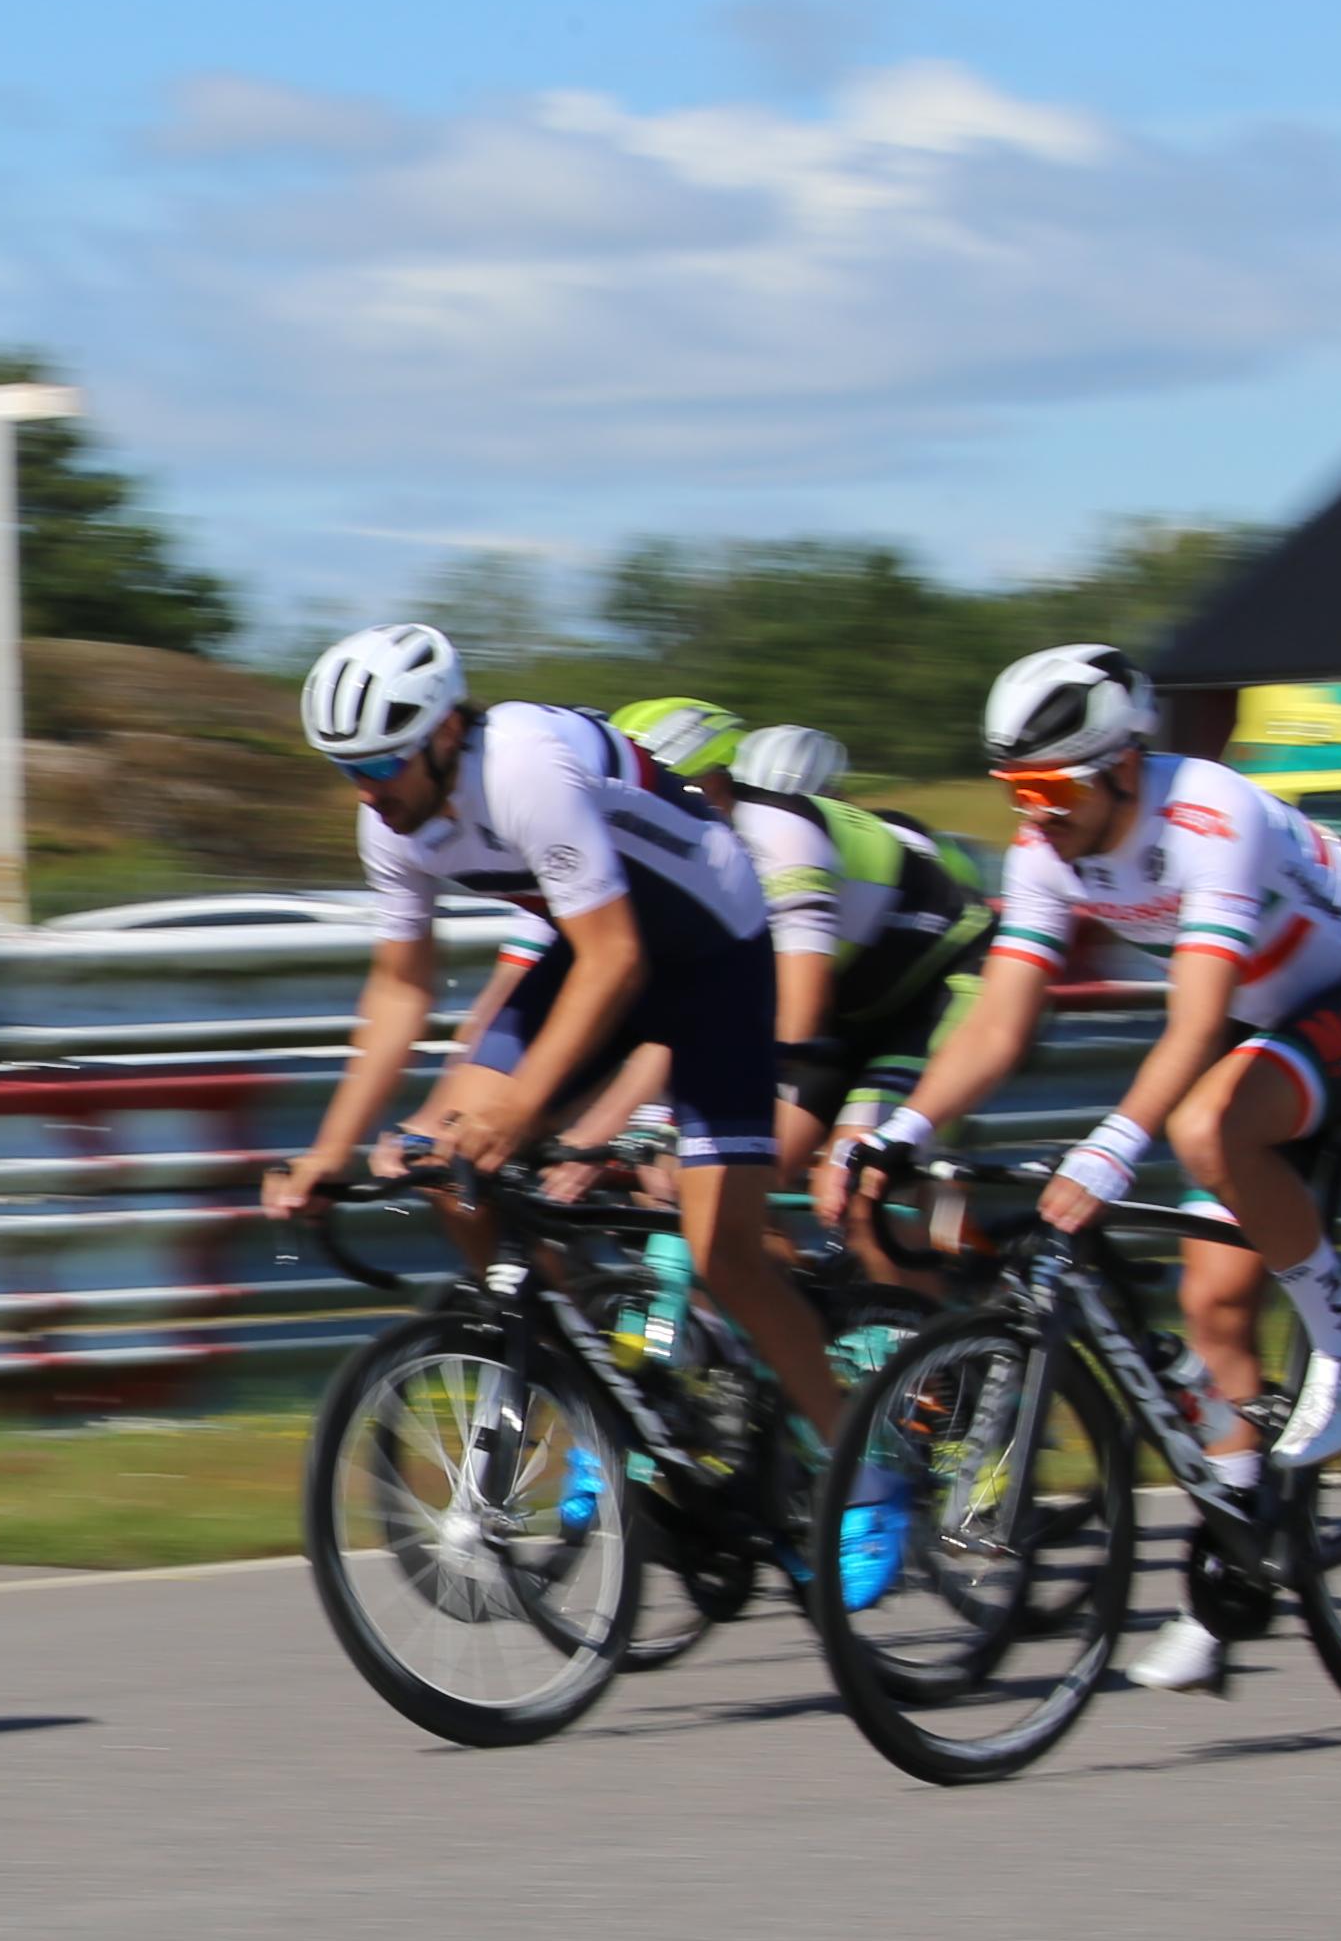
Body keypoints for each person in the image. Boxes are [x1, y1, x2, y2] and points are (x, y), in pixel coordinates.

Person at [257, 627, 893, 1588]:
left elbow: (619, 961)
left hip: (712, 955)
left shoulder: (522, 766)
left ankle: (861, 1475)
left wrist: (519, 1113)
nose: (366, 790)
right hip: (599, 951)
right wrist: (327, 1149)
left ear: (444, 735)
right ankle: (585, 1378)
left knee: (724, 1251)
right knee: (447, 1168)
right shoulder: (387, 822)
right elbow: (399, 989)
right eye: (347, 770)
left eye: (381, 764)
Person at [853, 646, 1341, 1693]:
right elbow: (999, 1021)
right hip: (1265, 1023)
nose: (1033, 815)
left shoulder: (1210, 814)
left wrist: (1114, 1144)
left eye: (1050, 789)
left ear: (1122, 766)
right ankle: (1233, 1573)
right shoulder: (1046, 849)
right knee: (1213, 1306)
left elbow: (1195, 1022)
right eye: (1014, 791)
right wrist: (905, 1128)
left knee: (1206, 1125)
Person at [590, 700, 995, 1212]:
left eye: (667, 797)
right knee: (706, 1191)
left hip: (937, 997)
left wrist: (675, 1116)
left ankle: (925, 1244)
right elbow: (681, 1015)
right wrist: (625, 1129)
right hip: (846, 1012)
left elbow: (798, 1019)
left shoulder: (779, 833)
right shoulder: (681, 858)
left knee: (860, 1192)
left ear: (715, 783)